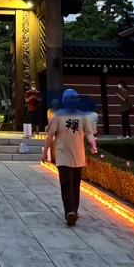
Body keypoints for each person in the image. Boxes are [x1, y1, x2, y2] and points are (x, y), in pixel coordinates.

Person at [42, 88, 97, 227]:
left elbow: (89, 133)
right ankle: (69, 212)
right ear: (66, 100)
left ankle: (74, 211)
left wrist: (93, 144)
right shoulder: (58, 116)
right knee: (66, 185)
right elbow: (50, 136)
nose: (74, 101)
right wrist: (45, 152)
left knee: (75, 186)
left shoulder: (83, 116)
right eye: (72, 99)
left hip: (78, 156)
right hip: (63, 155)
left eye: (76, 99)